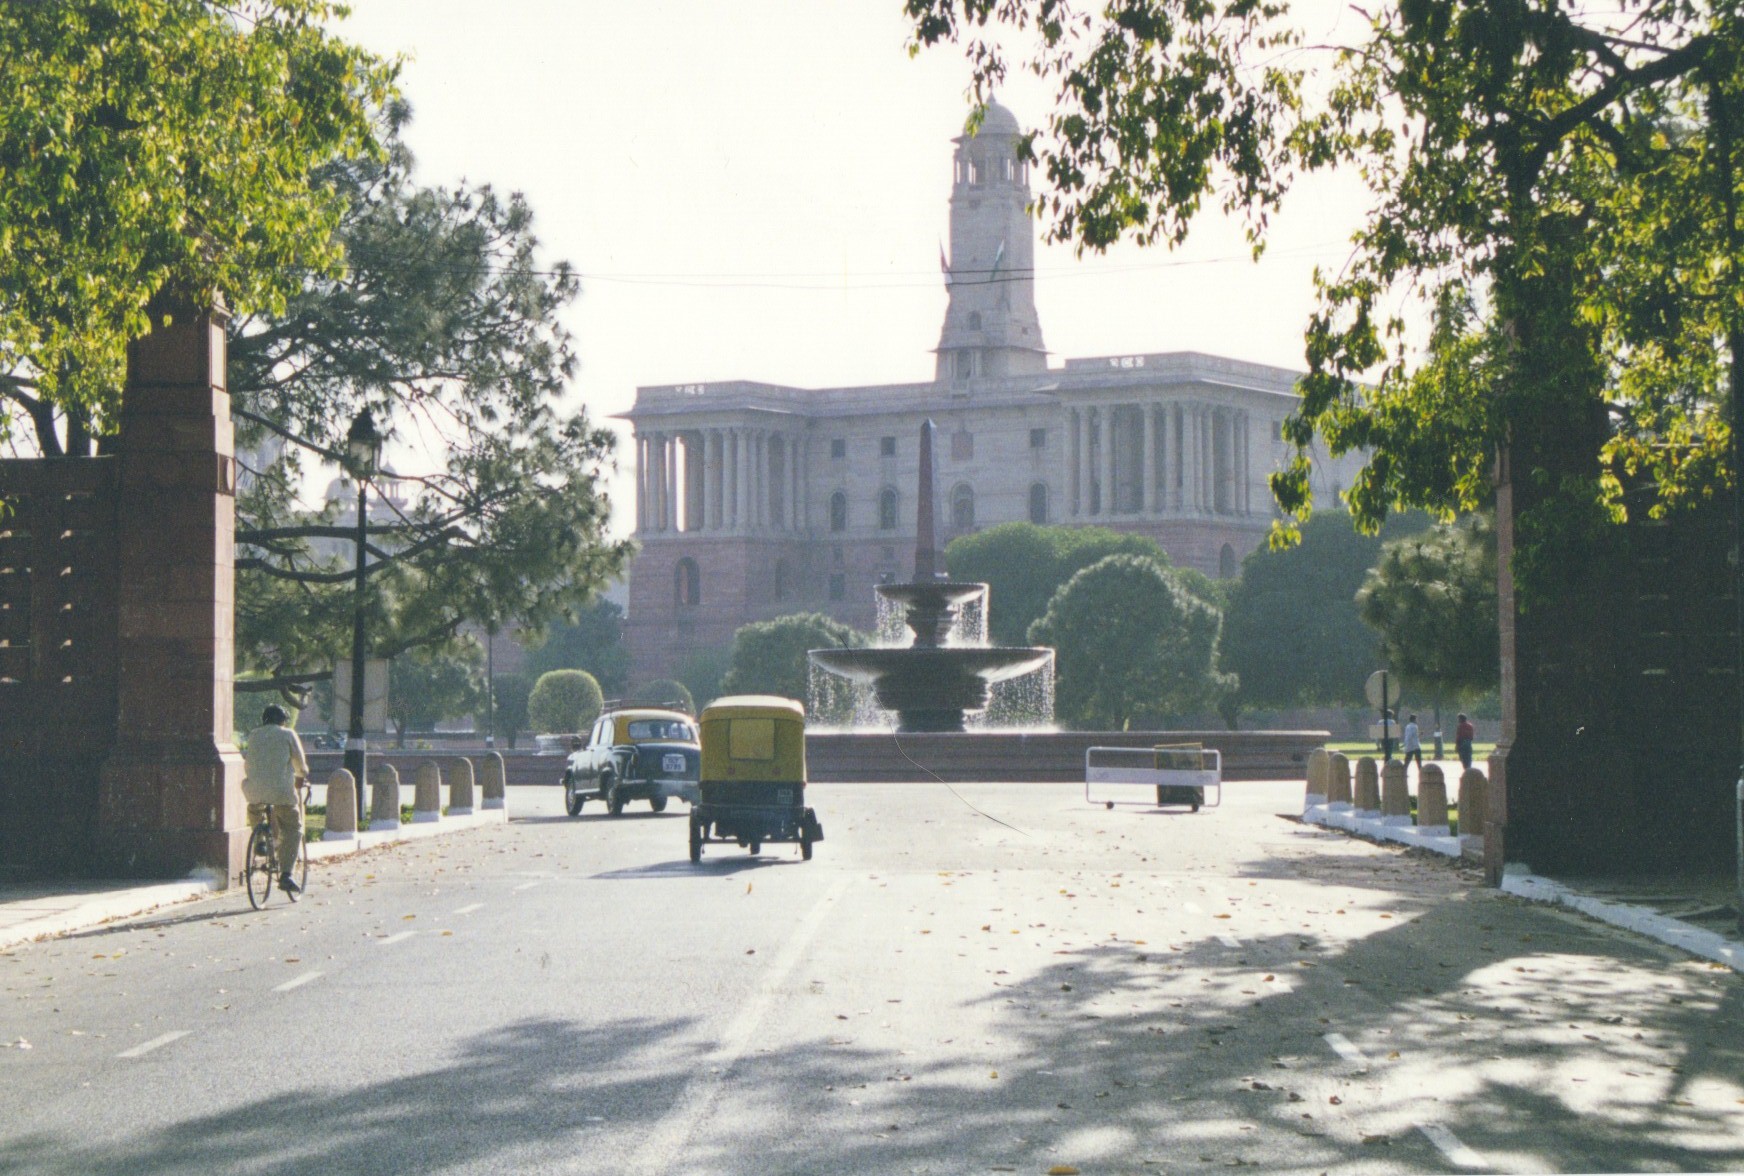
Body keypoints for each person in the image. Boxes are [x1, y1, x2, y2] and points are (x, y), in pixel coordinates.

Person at [242, 704, 309, 894]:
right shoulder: (288, 734)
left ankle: (260, 839)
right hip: (281, 792)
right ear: (282, 720)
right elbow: (300, 765)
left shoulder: (254, 735)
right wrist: (302, 776)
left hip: (254, 790)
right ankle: (286, 874)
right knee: (293, 828)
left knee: (254, 808)